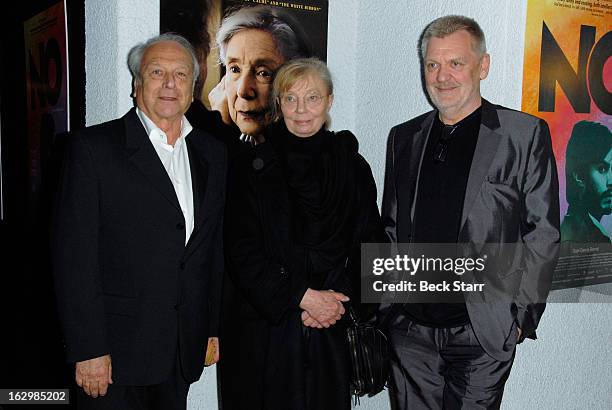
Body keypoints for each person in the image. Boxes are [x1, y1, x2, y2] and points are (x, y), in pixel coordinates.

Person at [380, 15, 560, 409]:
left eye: (455, 63)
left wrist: (521, 316)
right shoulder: (403, 138)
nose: (442, 76)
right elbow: (392, 228)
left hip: (481, 332)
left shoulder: (524, 135)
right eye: (433, 64)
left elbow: (542, 233)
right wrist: (388, 308)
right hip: (411, 335)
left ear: (483, 66)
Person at [51, 33, 226, 410]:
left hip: (181, 349)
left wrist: (210, 328)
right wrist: (89, 349)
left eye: (180, 75)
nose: (169, 84)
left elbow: (210, 250)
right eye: (157, 72)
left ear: (193, 87)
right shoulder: (93, 150)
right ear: (136, 85)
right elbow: (74, 260)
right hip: (115, 357)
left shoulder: (212, 154)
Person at [221, 58, 384, 410]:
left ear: (329, 101)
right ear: (279, 104)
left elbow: (371, 245)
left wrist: (337, 302)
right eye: (291, 99)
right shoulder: (250, 167)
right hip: (266, 334)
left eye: (312, 98)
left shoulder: (353, 167)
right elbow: (241, 252)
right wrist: (302, 296)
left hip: (332, 330)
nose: (301, 110)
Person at [205, 5, 311, 148]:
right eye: (235, 69)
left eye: (263, 73)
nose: (243, 91)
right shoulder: (245, 141)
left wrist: (220, 130)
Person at [561, 120, 612, 243]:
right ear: (579, 176)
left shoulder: (592, 231)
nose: (611, 181)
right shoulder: (579, 237)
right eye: (602, 169)